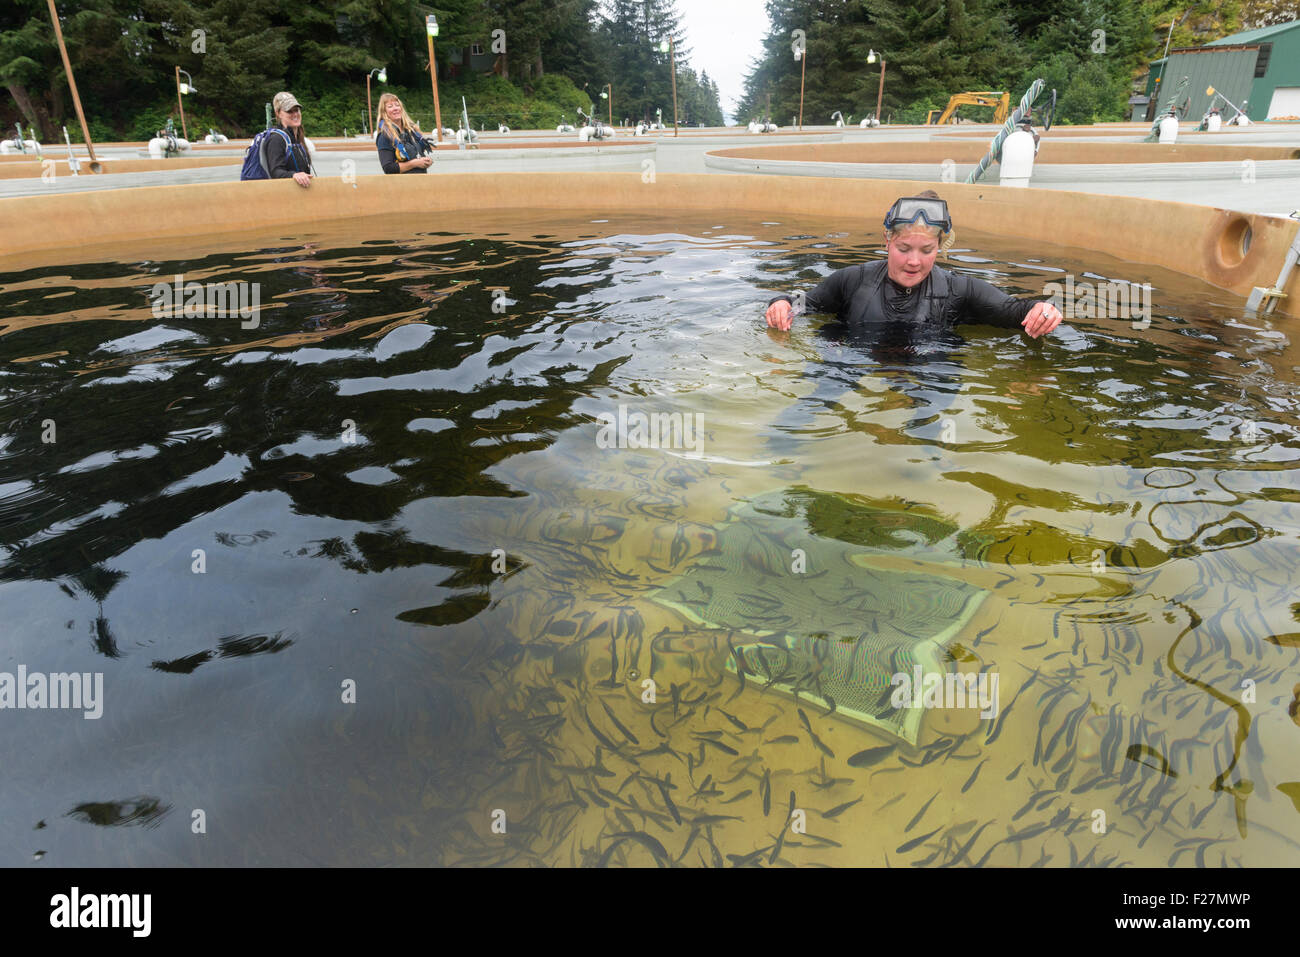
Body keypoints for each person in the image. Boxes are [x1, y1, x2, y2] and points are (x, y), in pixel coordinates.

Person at [764, 191, 1062, 339]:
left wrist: (1042, 310)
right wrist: (780, 303)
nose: (913, 261)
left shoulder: (961, 290)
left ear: (941, 247)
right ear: (886, 240)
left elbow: (1013, 311)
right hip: (853, 363)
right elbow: (804, 302)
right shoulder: (852, 280)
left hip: (930, 374)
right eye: (903, 248)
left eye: (927, 250)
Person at [374, 93, 434, 174]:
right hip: (401, 184)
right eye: (390, 106)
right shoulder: (384, 136)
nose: (395, 108)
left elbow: (418, 157)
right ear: (384, 112)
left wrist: (426, 161)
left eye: (397, 105)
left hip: (421, 182)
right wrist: (414, 163)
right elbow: (388, 168)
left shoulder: (412, 132)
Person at [266, 92, 315, 188]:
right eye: (289, 111)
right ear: (278, 113)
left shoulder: (299, 139)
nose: (295, 114)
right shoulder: (276, 139)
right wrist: (294, 175)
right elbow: (276, 171)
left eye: (296, 110)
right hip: (285, 198)